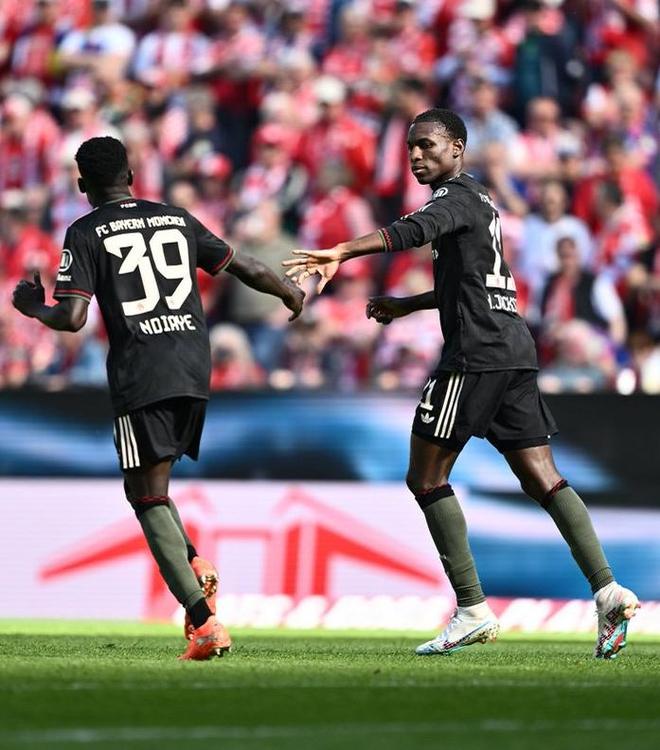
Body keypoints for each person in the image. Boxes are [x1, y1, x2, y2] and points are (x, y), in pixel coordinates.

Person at [284, 108, 639, 659]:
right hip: (513, 348)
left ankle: (472, 608)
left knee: (425, 476)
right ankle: (608, 590)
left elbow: (410, 231)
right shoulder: (480, 202)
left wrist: (342, 250)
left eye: (427, 144)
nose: (416, 155)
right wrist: (408, 304)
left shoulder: (452, 199)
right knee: (543, 477)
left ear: (457, 147)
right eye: (411, 147)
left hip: (476, 354)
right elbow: (471, 282)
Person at [12, 136, 304, 660]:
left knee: (144, 495)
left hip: (142, 371)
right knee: (154, 488)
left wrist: (35, 307)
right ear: (131, 174)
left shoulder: (85, 231)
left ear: (82, 185)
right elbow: (242, 265)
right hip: (194, 365)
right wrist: (287, 290)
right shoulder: (175, 217)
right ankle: (192, 561)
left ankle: (203, 622)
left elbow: (73, 318)